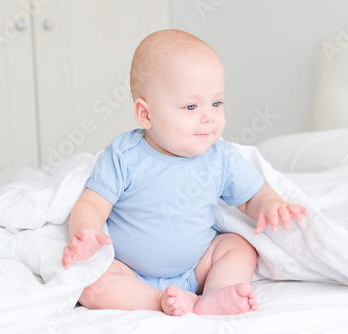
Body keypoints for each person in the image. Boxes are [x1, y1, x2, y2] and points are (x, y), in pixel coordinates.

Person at [61, 29, 308, 316]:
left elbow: (251, 196)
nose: (209, 116)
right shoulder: (125, 155)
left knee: (239, 246)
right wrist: (86, 232)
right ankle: (158, 301)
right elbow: (92, 203)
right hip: (129, 273)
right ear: (146, 114)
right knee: (89, 285)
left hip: (196, 268)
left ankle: (216, 294)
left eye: (216, 103)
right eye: (191, 106)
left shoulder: (221, 156)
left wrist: (270, 204)